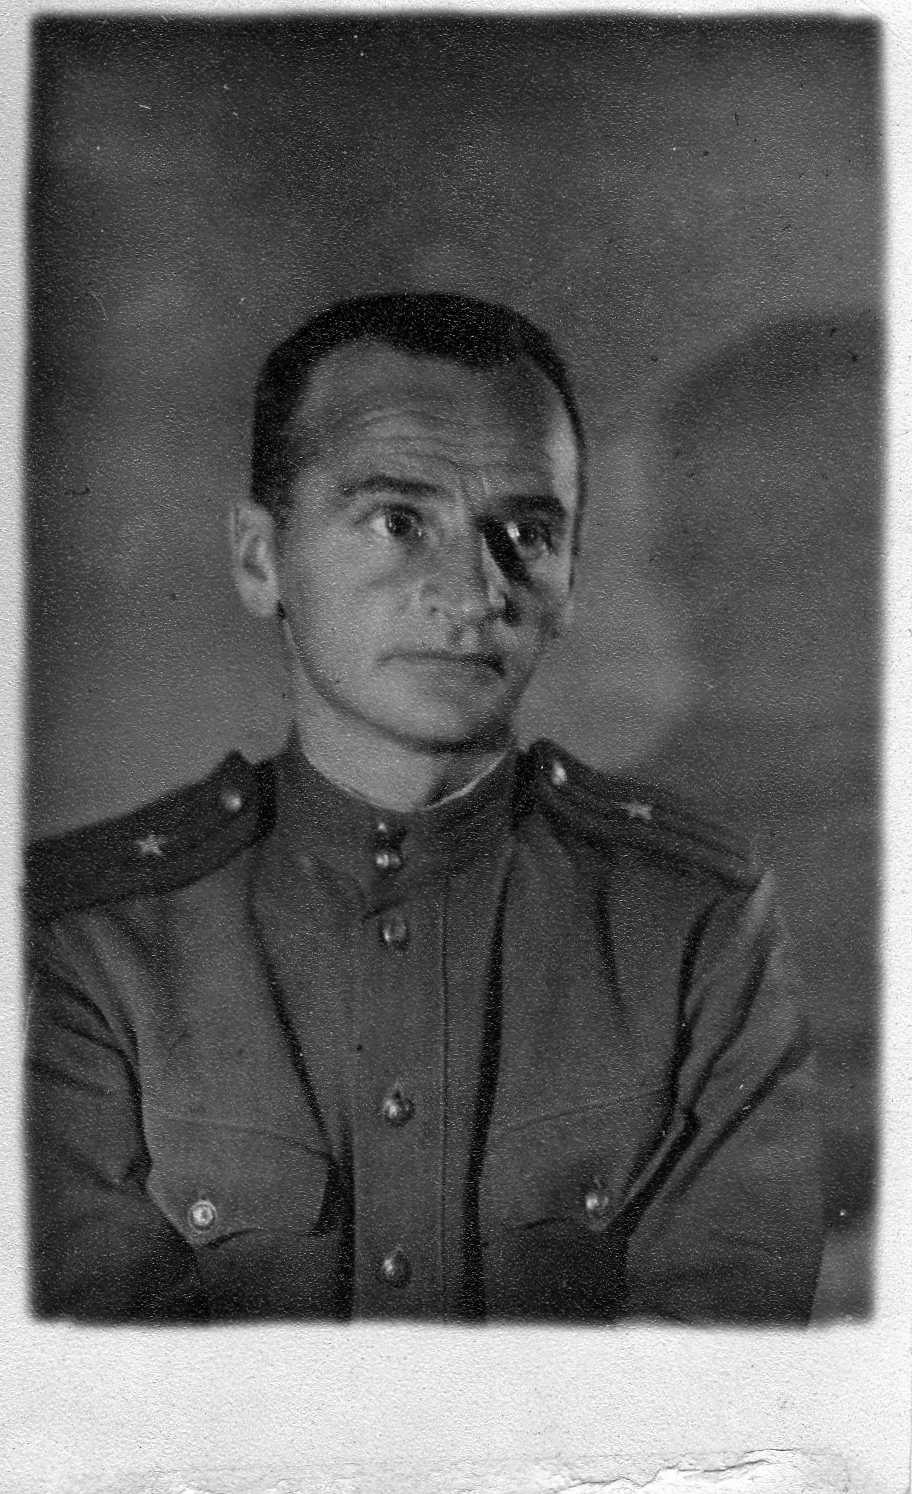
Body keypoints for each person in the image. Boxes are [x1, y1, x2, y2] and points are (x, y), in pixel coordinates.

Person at [24, 292, 823, 1324]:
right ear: (261, 559)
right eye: (400, 522)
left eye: (527, 532)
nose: (476, 590)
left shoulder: (698, 924)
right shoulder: (89, 939)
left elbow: (720, 1386)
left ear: (571, 577)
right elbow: (87, 1392)